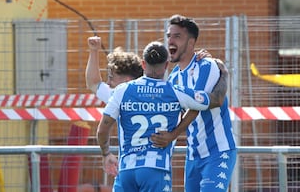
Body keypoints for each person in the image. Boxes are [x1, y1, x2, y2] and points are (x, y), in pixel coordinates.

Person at [96, 41, 228, 191]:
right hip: (156, 169)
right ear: (166, 65)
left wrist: (106, 153)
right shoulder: (175, 92)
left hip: (126, 170)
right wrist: (223, 73)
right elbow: (215, 100)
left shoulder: (122, 90)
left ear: (143, 64)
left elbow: (102, 129)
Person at [152, 14, 237, 192]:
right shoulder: (174, 77)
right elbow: (174, 113)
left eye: (177, 36)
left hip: (218, 152)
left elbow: (197, 105)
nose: (170, 41)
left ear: (191, 43)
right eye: (169, 36)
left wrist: (172, 135)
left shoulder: (206, 65)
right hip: (193, 156)